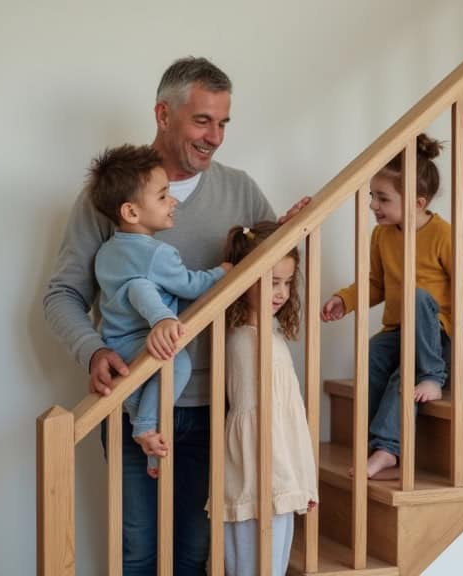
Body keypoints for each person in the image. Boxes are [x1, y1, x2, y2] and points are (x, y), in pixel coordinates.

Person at [44, 56, 306, 575]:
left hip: (217, 409)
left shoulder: (241, 190)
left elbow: (273, 280)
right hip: (132, 402)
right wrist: (92, 349)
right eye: (203, 120)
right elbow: (61, 295)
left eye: (224, 122)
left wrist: (293, 234)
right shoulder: (111, 198)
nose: (215, 136)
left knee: (193, 555)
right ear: (164, 114)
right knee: (138, 554)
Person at [321, 133, 463, 480]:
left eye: (382, 198)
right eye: (372, 196)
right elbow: (376, 284)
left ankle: (426, 385)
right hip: (398, 331)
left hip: (435, 339)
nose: (373, 206)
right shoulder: (382, 236)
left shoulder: (442, 234)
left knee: (418, 300)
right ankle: (374, 442)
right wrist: (345, 300)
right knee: (371, 357)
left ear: (417, 202)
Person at [87, 144, 231, 477]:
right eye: (163, 196)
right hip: (142, 342)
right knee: (178, 361)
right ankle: (147, 428)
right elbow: (191, 286)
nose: (174, 202)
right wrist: (222, 272)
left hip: (115, 345)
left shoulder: (107, 252)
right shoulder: (157, 254)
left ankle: (149, 444)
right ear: (132, 212)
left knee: (138, 398)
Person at [219, 222, 318, 576]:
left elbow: (288, 421)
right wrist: (288, 483)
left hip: (277, 484)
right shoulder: (247, 342)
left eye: (288, 283)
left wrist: (301, 481)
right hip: (261, 485)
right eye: (272, 282)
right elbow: (258, 424)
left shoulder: (268, 337)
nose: (281, 292)